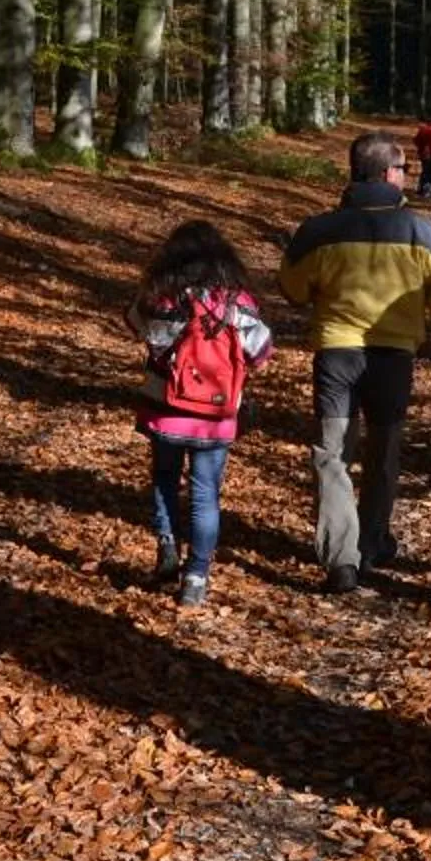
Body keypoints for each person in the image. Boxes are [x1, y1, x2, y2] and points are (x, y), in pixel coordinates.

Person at [279, 132, 431, 593]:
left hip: (337, 352)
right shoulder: (423, 233)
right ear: (388, 174)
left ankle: (341, 557)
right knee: (383, 450)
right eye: (403, 169)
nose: (406, 176)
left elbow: (292, 288)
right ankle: (370, 543)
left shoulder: (318, 231)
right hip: (393, 356)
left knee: (333, 453)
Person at [127, 222, 276, 606]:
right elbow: (261, 353)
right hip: (216, 416)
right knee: (205, 492)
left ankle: (166, 545)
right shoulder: (236, 303)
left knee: (164, 478)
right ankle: (196, 576)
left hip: (166, 410)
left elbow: (136, 325)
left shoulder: (164, 297)